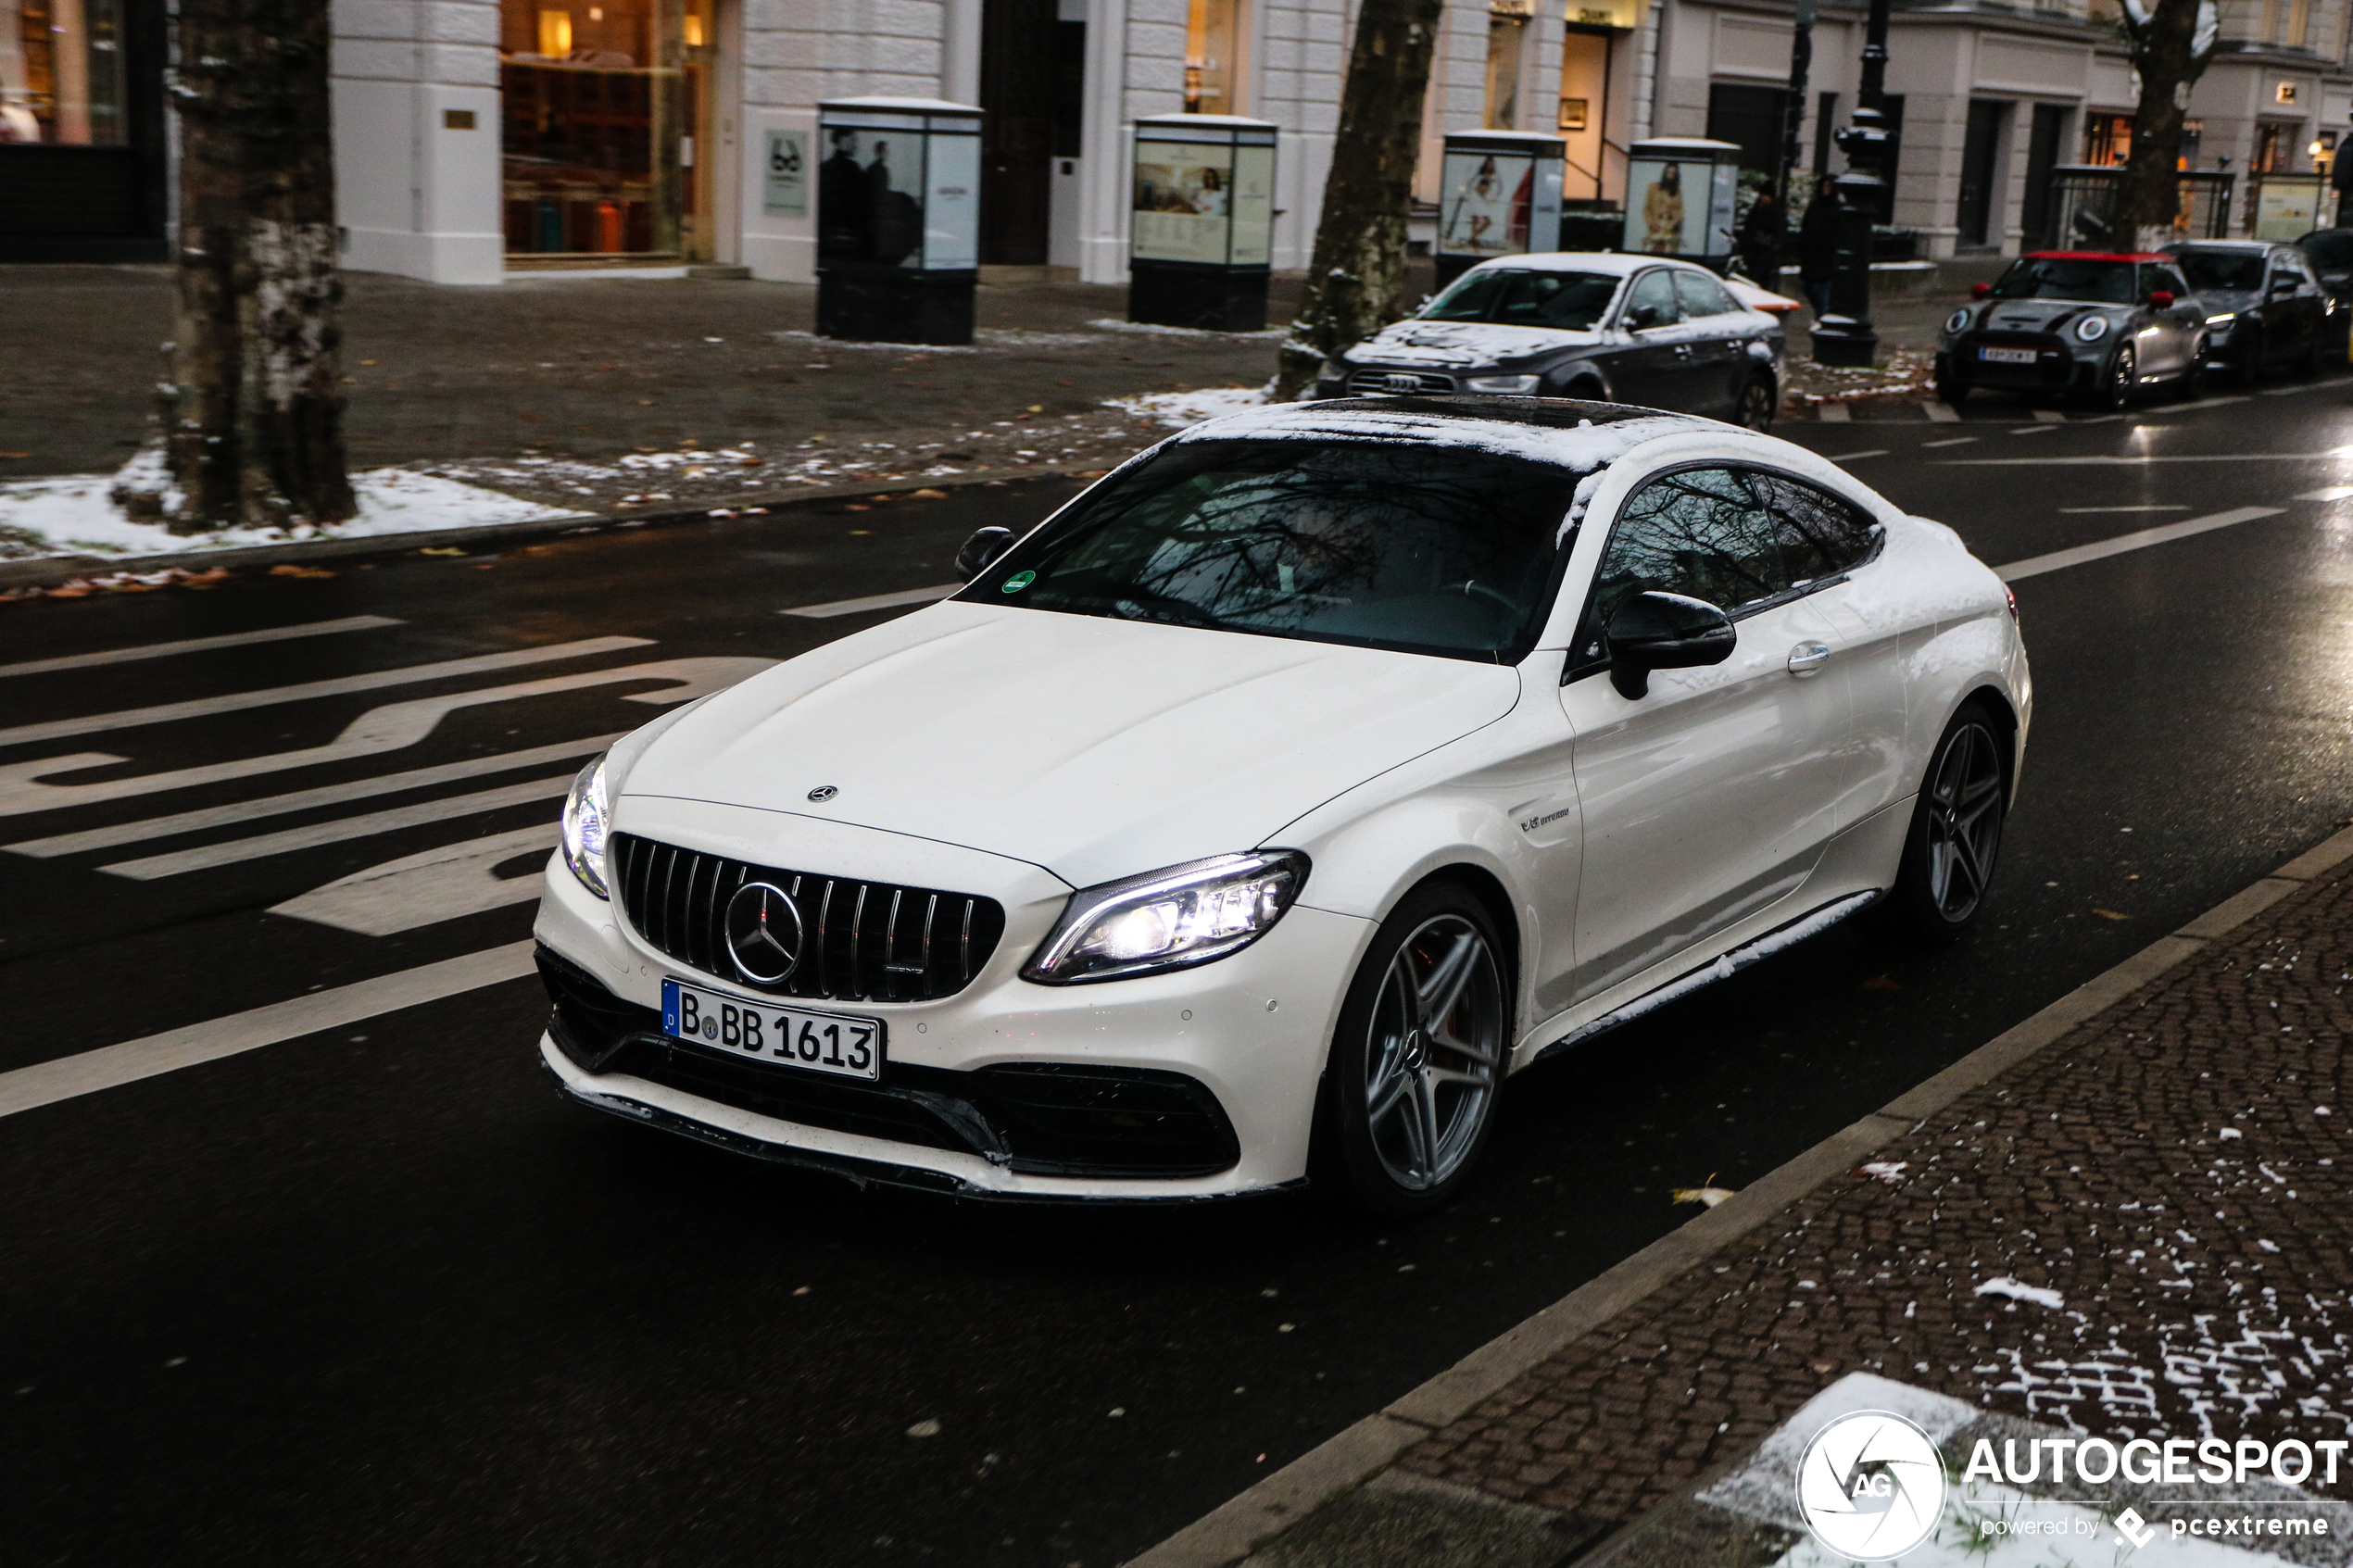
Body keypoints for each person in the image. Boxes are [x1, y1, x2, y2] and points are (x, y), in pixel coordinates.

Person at [1798, 182, 1841, 320]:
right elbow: (1806, 226)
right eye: (1824, 187)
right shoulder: (1814, 206)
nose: (1826, 190)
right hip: (1811, 255)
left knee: (1819, 287)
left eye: (1829, 187)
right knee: (1807, 286)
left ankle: (1822, 316)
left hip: (1826, 256)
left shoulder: (1838, 208)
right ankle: (1822, 313)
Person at [1738, 190, 1781, 286]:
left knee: (1760, 277)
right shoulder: (1759, 211)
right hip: (1756, 251)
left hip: (1763, 252)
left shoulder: (1766, 211)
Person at [1643, 162, 1684, 253]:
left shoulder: (1678, 191)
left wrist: (1673, 224)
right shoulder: (1653, 187)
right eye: (1668, 172)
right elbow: (1647, 208)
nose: (1670, 175)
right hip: (1655, 228)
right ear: (1664, 172)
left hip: (1670, 231)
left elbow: (1680, 210)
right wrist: (1651, 223)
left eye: (1673, 173)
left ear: (1676, 175)